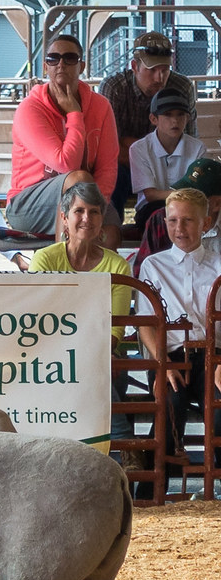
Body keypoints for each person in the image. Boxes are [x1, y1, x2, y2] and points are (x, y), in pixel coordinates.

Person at [27, 182, 135, 457]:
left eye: (95, 212)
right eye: (79, 211)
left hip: (103, 357)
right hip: (52, 359)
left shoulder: (118, 265)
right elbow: (40, 321)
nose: (87, 218)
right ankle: (125, 447)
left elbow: (116, 328)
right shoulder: (44, 260)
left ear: (102, 220)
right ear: (64, 217)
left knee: (97, 373)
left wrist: (90, 352)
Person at [135, 188, 221, 492]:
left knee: (220, 408)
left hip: (213, 356)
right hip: (170, 354)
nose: (179, 229)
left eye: (187, 221)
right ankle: (151, 495)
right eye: (172, 221)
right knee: (168, 406)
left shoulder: (219, 264)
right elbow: (146, 323)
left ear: (205, 223)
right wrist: (162, 364)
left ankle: (216, 490)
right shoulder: (153, 265)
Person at [7, 34, 121, 250]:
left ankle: (100, 284)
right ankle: (64, 272)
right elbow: (66, 164)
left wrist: (96, 210)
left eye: (70, 58)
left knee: (111, 236)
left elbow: (107, 167)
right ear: (45, 66)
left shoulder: (101, 106)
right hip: (28, 205)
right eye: (53, 58)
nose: (61, 64)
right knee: (78, 178)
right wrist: (75, 115)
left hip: (88, 197)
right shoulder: (30, 108)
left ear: (82, 65)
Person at [100, 31, 198, 217]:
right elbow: (110, 150)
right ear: (134, 66)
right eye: (152, 70)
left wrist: (132, 145)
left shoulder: (182, 86)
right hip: (128, 169)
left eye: (164, 70)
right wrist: (153, 158)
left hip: (173, 168)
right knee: (112, 174)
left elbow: (189, 144)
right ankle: (111, 229)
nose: (159, 78)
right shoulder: (115, 87)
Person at [128, 88, 205, 232]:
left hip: (188, 207)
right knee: (162, 215)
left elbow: (198, 191)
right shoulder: (139, 149)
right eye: (168, 115)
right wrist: (185, 194)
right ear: (153, 119)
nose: (175, 121)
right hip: (151, 210)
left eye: (180, 115)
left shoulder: (197, 147)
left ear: (187, 118)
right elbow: (151, 195)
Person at [135, 157, 221, 273]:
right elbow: (142, 273)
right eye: (181, 192)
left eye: (196, 198)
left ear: (217, 204)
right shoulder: (160, 219)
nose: (179, 227)